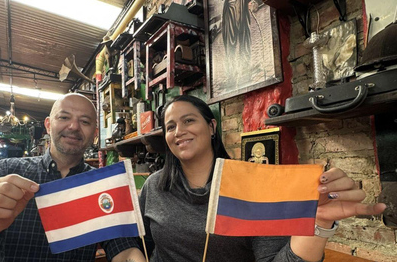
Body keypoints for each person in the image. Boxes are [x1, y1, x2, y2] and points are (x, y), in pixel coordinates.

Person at [139, 95, 387, 262]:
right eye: (170, 127)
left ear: (212, 127)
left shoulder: (251, 186)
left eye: (188, 120)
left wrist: (319, 223)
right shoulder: (154, 186)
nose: (179, 131)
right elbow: (141, 244)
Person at [0, 93, 144, 262]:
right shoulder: (6, 171)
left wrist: (134, 256)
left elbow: (122, 247)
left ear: (95, 134)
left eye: (84, 121)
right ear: (48, 125)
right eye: (64, 117)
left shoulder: (100, 185)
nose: (74, 126)